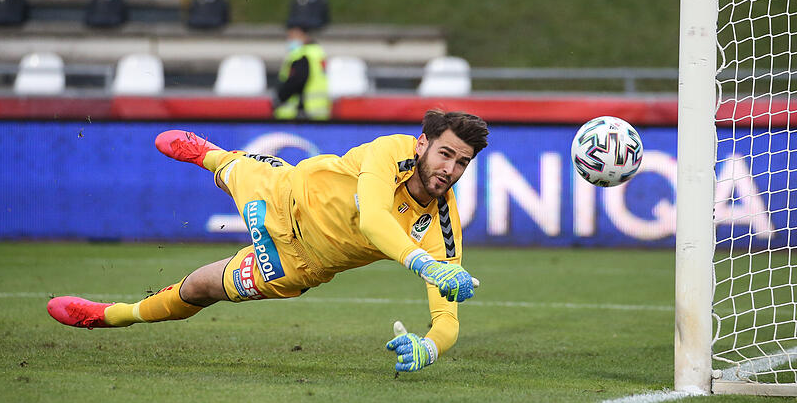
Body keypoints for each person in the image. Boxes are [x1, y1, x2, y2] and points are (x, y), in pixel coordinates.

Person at [47, 110, 489, 373]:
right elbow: (374, 219)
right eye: (445, 154)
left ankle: (110, 316)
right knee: (229, 171)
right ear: (422, 144)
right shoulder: (389, 150)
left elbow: (447, 320)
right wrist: (426, 266)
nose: (450, 169)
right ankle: (210, 153)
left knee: (202, 288)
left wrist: (428, 348)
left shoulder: (442, 227)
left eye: (461, 163)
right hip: (283, 193)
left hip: (298, 262)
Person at [273, 24, 331, 120]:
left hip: (302, 112)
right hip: (319, 111)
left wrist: (280, 97)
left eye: (292, 36)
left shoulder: (302, 55)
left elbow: (297, 80)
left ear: (302, 35)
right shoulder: (317, 52)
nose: (289, 40)